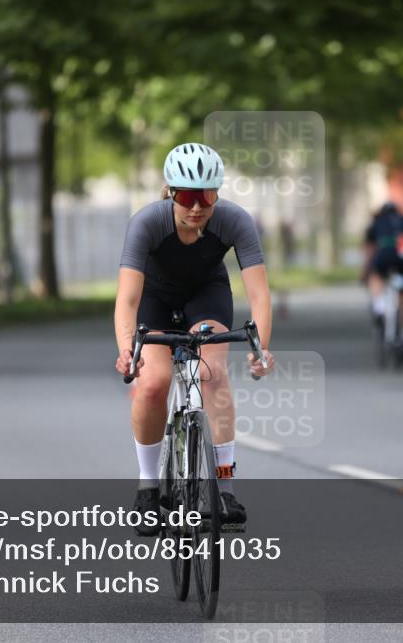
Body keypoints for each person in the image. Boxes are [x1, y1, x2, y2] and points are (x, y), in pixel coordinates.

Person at [114, 142, 275, 536]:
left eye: (206, 195)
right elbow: (128, 300)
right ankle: (149, 486)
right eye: (187, 196)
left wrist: (261, 349)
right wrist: (127, 351)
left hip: (206, 295)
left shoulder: (235, 221)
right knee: (153, 382)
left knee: (213, 374)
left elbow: (259, 296)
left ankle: (224, 490)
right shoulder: (147, 223)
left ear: (218, 192)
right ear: (170, 192)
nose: (197, 207)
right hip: (154, 298)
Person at [361, 200, 403, 352]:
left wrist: (365, 271)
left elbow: (370, 249)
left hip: (384, 257)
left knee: (376, 277)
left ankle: (379, 308)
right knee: (402, 296)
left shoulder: (377, 223)